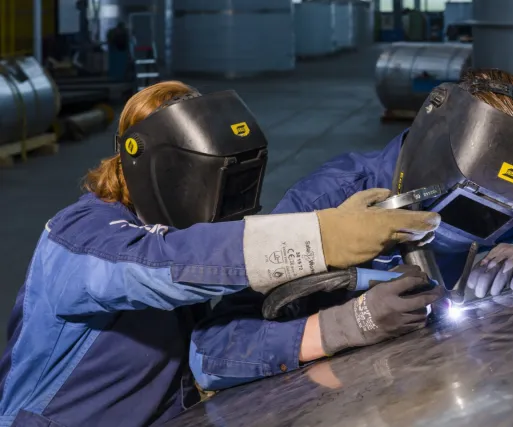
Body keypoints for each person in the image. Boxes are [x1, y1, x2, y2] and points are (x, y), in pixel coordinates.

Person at [0, 81, 441, 426]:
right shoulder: (78, 238)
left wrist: (350, 321)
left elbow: (208, 353)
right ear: (163, 170)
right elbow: (164, 264)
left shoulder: (181, 227)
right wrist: (319, 239)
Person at [190, 69, 513, 394]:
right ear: (430, 156)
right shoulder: (331, 198)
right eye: (472, 206)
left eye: (504, 214)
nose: (486, 225)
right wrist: (348, 324)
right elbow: (211, 354)